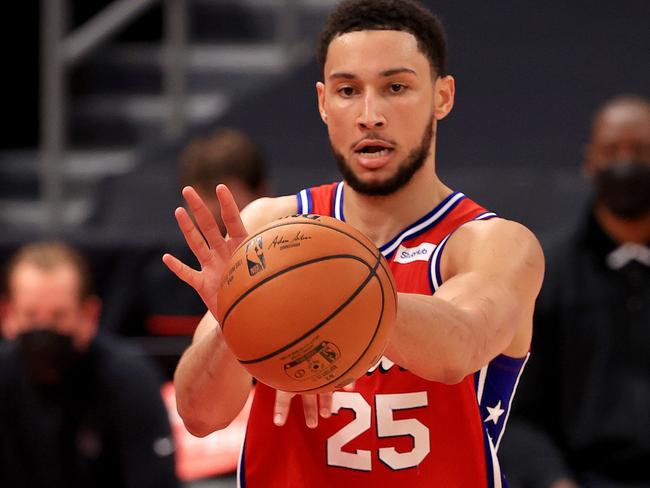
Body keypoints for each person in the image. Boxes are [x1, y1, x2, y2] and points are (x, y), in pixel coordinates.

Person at [163, 1, 545, 486]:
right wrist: (235, 324)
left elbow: (459, 348)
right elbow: (199, 416)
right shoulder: (269, 225)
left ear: (442, 97)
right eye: (348, 91)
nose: (370, 115)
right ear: (324, 103)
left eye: (396, 88)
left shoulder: (491, 243)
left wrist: (318, 299)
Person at [500, 96, 650, 488]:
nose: (625, 164)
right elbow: (516, 410)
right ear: (590, 162)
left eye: (639, 151)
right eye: (612, 151)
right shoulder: (545, 272)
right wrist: (553, 479)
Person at [0, 242, 179, 488]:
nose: (44, 330)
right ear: (7, 315)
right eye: (30, 315)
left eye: (59, 316)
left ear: (89, 315)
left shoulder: (130, 380)